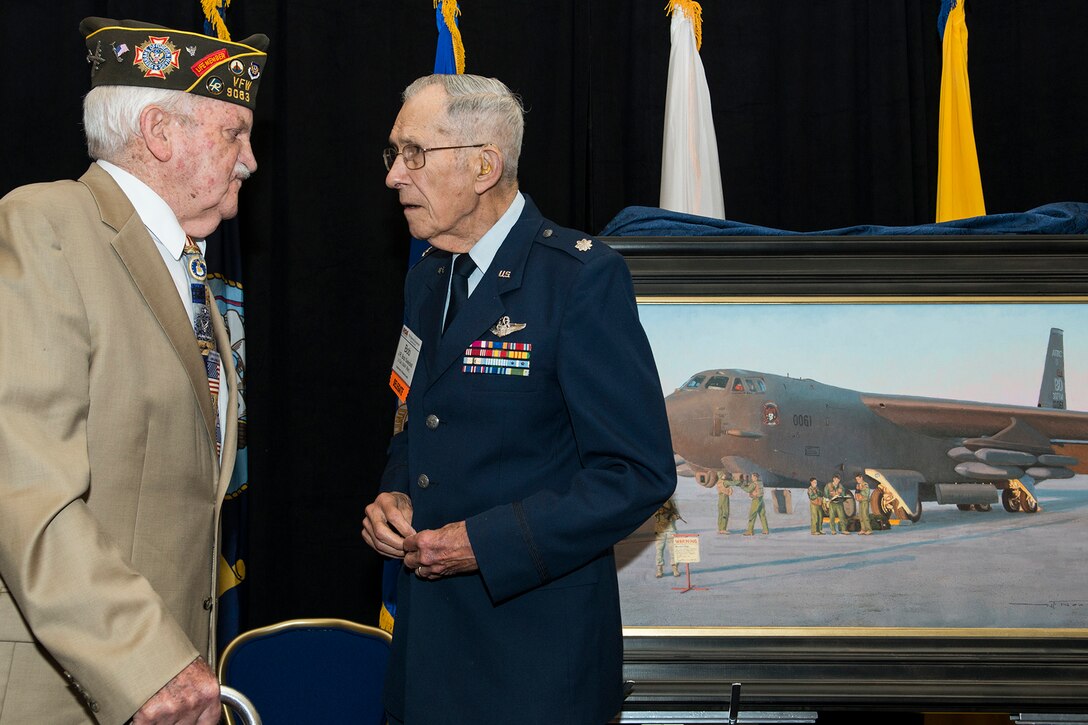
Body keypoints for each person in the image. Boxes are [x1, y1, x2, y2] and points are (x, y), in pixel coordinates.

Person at [361, 74, 676, 725]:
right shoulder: (426, 278)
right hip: (427, 653)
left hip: (535, 661)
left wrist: (485, 542)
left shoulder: (580, 280)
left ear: (484, 165)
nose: (395, 175)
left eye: (414, 153)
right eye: (393, 153)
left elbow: (637, 474)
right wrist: (396, 492)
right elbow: (415, 418)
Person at [0, 17, 267, 724]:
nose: (250, 160)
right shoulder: (45, 225)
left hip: (168, 683)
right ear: (160, 133)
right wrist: (145, 660)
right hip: (66, 690)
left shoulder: (188, 271)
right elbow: (24, 486)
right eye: (233, 133)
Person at [653, 497, 684, 577]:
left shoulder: (671, 499)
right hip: (660, 527)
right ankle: (659, 569)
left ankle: (675, 568)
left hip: (671, 527)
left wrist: (676, 515)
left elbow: (675, 510)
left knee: (673, 548)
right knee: (659, 549)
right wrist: (671, 516)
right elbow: (657, 513)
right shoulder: (656, 499)